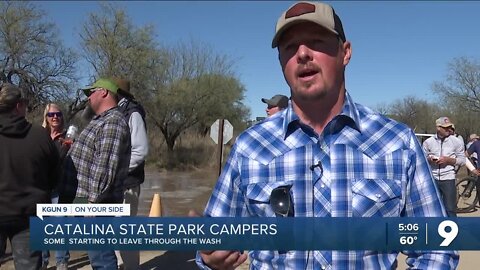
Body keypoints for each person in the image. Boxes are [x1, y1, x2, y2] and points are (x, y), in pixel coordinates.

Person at [195, 1, 458, 269]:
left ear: (345, 53)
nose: (302, 54)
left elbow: (437, 250)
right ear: (281, 62)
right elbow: (212, 246)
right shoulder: (249, 148)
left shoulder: (397, 143)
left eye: (316, 41)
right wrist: (211, 259)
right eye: (289, 47)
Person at [63, 78, 131, 269]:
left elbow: (105, 165)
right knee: (97, 256)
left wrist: (92, 203)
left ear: (104, 92)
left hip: (96, 205)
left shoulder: (113, 122)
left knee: (101, 258)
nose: (88, 98)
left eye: (91, 92)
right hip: (85, 202)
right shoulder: (101, 120)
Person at [0, 83, 60, 269]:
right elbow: (54, 176)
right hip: (31, 215)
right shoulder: (40, 136)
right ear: (18, 106)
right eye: (24, 103)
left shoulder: (39, 134)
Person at [112, 78, 149, 270]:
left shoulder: (132, 113)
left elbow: (141, 151)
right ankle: (120, 265)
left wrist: (118, 171)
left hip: (127, 183)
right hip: (115, 184)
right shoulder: (116, 113)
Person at [40, 103, 71, 270]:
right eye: (51, 114)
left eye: (58, 114)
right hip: (41, 187)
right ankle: (42, 261)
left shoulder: (68, 137)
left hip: (60, 187)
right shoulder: (39, 136)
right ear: (46, 117)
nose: (55, 117)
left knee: (60, 225)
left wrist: (70, 147)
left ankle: (61, 261)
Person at [423, 116, 466, 217]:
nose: (448, 129)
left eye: (449, 127)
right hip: (432, 179)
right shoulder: (428, 142)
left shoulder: (456, 141)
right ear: (438, 128)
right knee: (433, 208)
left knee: (450, 209)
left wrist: (448, 160)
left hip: (448, 178)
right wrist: (429, 159)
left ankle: (452, 230)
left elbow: (462, 161)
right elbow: (422, 159)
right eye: (445, 127)